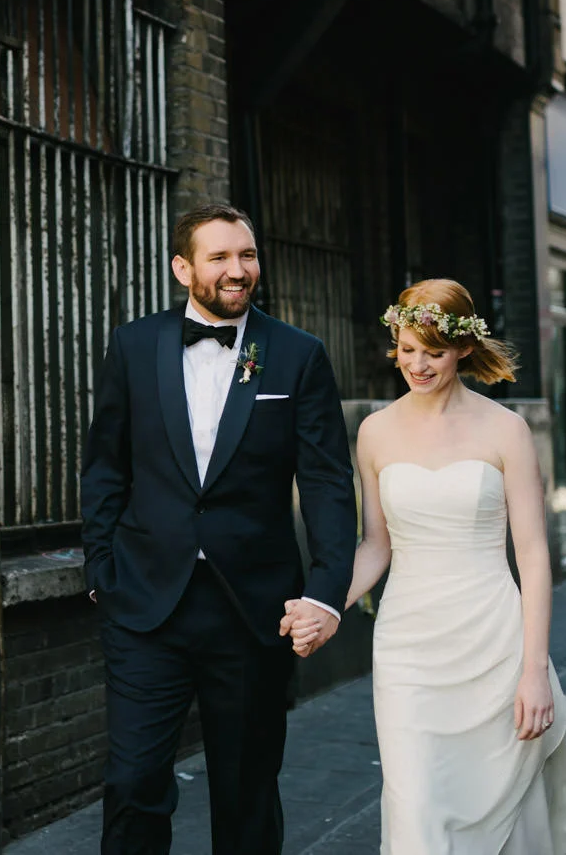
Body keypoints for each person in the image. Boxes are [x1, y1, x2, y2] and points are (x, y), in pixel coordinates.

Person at [287, 279, 566, 852]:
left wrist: (534, 670)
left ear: (463, 348)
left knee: (501, 806)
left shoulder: (506, 430)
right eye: (407, 349)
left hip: (493, 637)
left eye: (433, 352)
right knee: (416, 803)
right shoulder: (374, 432)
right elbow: (375, 546)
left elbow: (534, 558)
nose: (417, 365)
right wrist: (325, 604)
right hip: (409, 646)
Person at [80, 203, 357, 855]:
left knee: (245, 791)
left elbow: (325, 484)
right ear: (183, 268)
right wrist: (101, 566)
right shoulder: (132, 345)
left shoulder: (295, 355)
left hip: (253, 610)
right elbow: (103, 466)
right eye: (220, 257)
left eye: (247, 255)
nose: (238, 270)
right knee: (132, 781)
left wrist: (324, 591)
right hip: (146, 604)